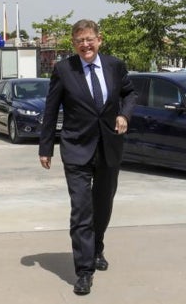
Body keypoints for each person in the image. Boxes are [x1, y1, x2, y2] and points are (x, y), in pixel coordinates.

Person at [38, 19, 137, 295]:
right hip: (76, 148)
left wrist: (124, 114)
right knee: (82, 209)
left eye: (89, 39)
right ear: (73, 43)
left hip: (109, 147)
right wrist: (45, 147)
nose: (85, 45)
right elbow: (51, 109)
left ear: (99, 39)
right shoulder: (63, 70)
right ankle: (83, 271)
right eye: (79, 40)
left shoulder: (115, 66)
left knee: (103, 205)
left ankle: (97, 247)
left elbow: (130, 94)